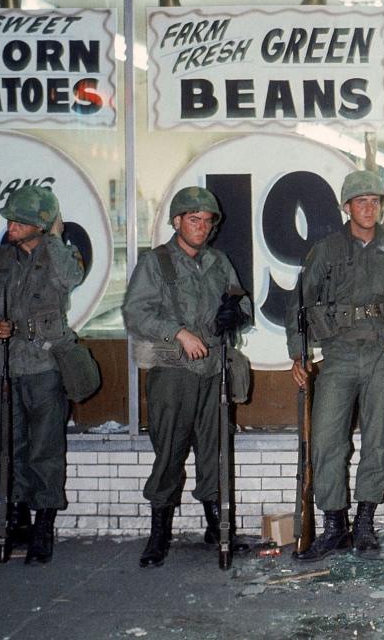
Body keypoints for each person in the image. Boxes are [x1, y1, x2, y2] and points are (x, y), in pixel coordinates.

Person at [287, 170, 384, 561]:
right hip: (338, 356)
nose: (369, 208)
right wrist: (297, 354)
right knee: (327, 441)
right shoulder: (326, 250)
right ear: (346, 207)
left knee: (377, 442)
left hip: (383, 356)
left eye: (375, 201)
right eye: (360, 202)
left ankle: (364, 522)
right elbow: (298, 305)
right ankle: (334, 525)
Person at [123, 186, 249, 567]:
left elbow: (239, 301)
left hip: (213, 371)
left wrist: (236, 314)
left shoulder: (218, 261)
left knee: (215, 450)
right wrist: (178, 331)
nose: (202, 227)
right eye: (194, 220)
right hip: (174, 372)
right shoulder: (156, 263)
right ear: (177, 221)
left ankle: (217, 526)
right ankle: (159, 534)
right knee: (170, 453)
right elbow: (135, 313)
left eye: (207, 221)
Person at [0, 185, 84, 565]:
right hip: (6, 365)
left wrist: (55, 235)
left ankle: (43, 527)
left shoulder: (60, 256)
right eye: (10, 219)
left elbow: (71, 278)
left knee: (45, 450)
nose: (11, 225)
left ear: (39, 225)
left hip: (44, 367)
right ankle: (15, 521)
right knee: (5, 448)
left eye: (20, 220)